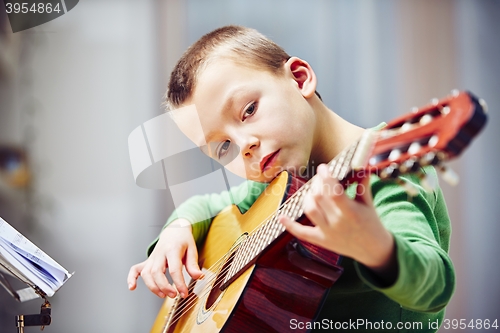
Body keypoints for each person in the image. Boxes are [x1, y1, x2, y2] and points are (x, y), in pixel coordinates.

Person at [127, 25, 455, 332]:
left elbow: (435, 284)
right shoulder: (276, 184)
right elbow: (207, 204)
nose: (244, 146)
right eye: (222, 147)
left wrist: (378, 248)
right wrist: (177, 227)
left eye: (249, 110)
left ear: (299, 79)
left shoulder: (385, 176)